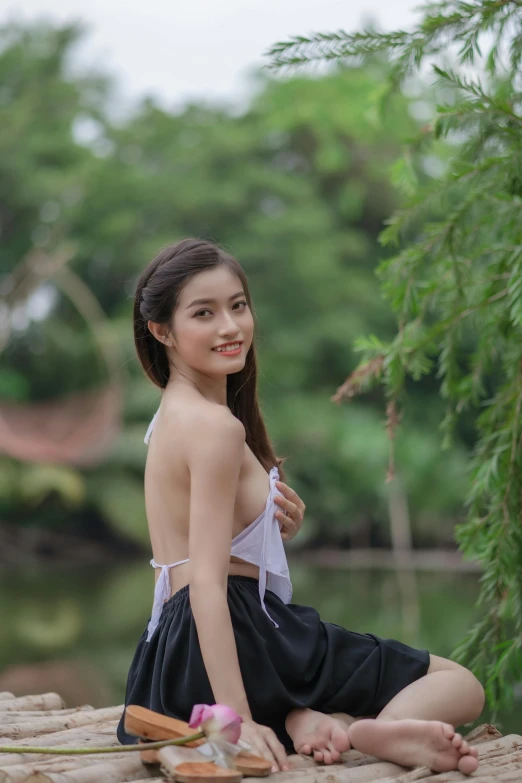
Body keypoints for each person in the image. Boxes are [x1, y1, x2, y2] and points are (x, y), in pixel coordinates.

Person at [117, 238, 485, 775]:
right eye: (204, 313)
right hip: (244, 637)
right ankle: (367, 731)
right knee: (459, 684)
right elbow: (207, 583)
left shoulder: (170, 415)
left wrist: (267, 521)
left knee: (329, 674)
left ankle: (302, 715)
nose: (230, 327)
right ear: (161, 331)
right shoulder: (216, 427)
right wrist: (236, 718)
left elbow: (188, 555)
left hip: (171, 658)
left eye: (238, 305)